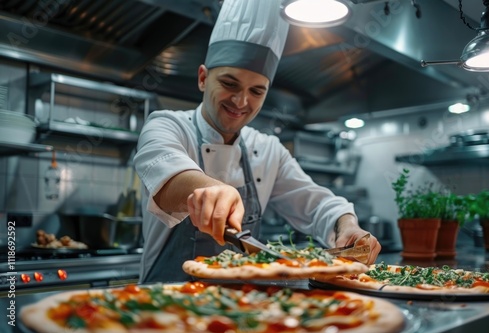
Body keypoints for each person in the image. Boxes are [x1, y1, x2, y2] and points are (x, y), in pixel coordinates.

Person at [134, 0, 381, 283]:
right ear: (203, 78)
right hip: (164, 307)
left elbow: (317, 203)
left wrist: (346, 225)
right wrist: (211, 189)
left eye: (257, 91)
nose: (241, 101)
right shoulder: (166, 125)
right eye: (229, 84)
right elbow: (168, 179)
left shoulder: (268, 150)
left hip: (246, 312)